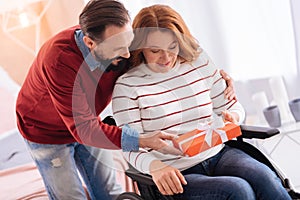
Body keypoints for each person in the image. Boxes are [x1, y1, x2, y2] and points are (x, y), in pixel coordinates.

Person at [16, 0, 235, 199]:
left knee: (110, 193)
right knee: (70, 197)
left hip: (88, 121)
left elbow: (167, 58)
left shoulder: (120, 45)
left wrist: (217, 78)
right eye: (119, 48)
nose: (129, 54)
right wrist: (142, 140)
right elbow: (83, 130)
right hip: (46, 131)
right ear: (90, 43)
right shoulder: (59, 60)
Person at [112, 4, 292, 200]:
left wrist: (233, 117)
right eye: (155, 50)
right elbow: (129, 146)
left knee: (265, 177)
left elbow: (230, 106)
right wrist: (155, 167)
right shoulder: (127, 86)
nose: (166, 58)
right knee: (238, 190)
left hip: (218, 154)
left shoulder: (199, 61)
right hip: (175, 172)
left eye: (172, 47)